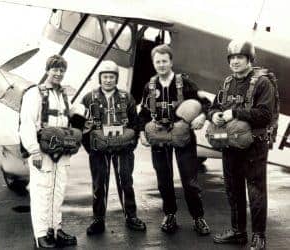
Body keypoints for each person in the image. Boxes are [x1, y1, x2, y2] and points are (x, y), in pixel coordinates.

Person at [209, 40, 275, 250]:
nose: (236, 61)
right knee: (233, 189)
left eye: (240, 57)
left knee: (256, 191)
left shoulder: (263, 83)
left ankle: (259, 236)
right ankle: (238, 232)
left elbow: (265, 115)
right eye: (232, 58)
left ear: (249, 60)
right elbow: (213, 107)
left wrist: (235, 113)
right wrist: (215, 115)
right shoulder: (227, 83)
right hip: (230, 145)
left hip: (254, 145)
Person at [138, 44, 211, 235]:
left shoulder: (184, 83)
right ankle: (170, 215)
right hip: (160, 137)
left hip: (183, 136)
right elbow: (144, 113)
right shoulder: (149, 86)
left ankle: (198, 218)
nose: (161, 65)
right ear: (154, 64)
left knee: (190, 181)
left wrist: (201, 116)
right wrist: (141, 133)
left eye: (164, 61)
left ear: (171, 62)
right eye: (157, 62)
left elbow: (205, 103)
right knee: (164, 181)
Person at [80, 60, 146, 235]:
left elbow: (135, 124)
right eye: (105, 76)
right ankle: (98, 219)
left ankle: (131, 216)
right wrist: (92, 148)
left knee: (126, 182)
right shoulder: (89, 98)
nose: (108, 80)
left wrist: (129, 144)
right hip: (98, 150)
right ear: (100, 78)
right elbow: (81, 126)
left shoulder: (127, 98)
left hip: (123, 149)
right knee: (99, 184)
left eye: (111, 77)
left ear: (116, 79)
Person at [19, 55, 77, 248]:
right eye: (55, 69)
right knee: (41, 191)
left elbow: (71, 117)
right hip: (42, 152)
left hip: (61, 151)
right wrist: (34, 151)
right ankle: (41, 234)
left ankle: (55, 229)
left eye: (62, 70)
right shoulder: (35, 93)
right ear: (47, 70)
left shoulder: (63, 95)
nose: (58, 73)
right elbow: (26, 124)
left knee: (58, 191)